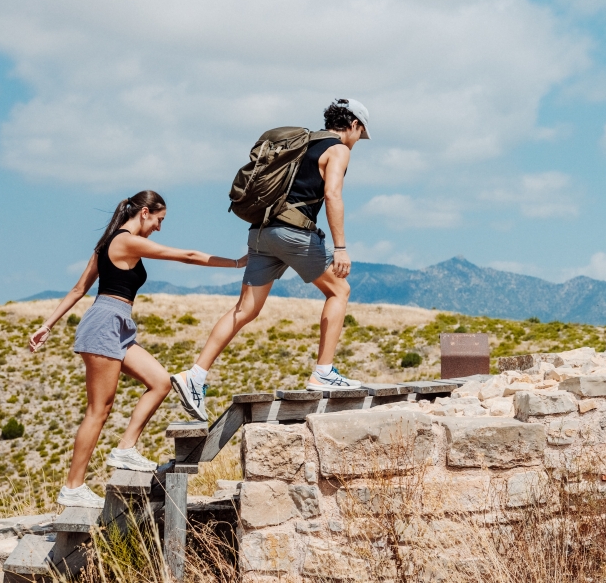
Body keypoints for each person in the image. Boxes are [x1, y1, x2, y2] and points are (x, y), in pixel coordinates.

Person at [28, 191, 247, 509]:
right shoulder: (126, 241)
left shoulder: (108, 243)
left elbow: (78, 289)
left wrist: (46, 325)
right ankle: (72, 487)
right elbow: (185, 256)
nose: (160, 227)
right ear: (145, 212)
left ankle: (125, 449)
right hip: (104, 324)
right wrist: (239, 262)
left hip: (117, 325)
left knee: (160, 381)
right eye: (159, 220)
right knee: (99, 411)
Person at [170, 98, 370, 421]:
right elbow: (333, 194)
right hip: (294, 233)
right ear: (354, 125)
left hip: (262, 231)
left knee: (244, 309)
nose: (357, 142)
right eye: (360, 135)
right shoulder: (339, 150)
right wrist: (341, 247)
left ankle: (195, 375)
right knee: (339, 291)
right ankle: (324, 372)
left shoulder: (302, 142)